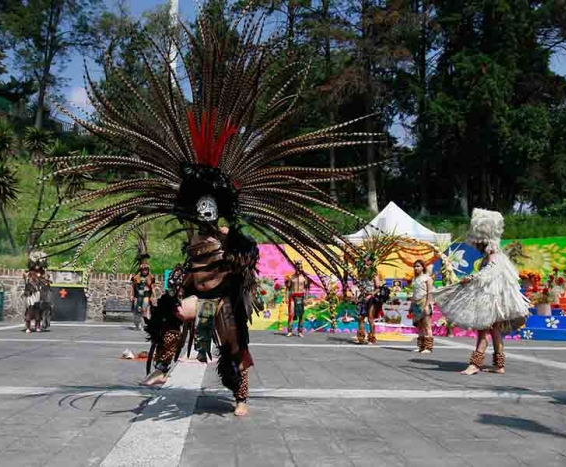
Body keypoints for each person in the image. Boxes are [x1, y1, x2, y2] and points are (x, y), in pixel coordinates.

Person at [43, 6, 381, 418]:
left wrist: (231, 251)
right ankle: (164, 364)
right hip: (196, 295)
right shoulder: (193, 233)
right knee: (172, 312)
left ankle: (240, 395)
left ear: (219, 210)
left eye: (208, 215)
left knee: (235, 344)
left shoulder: (230, 237)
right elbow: (188, 263)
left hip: (223, 300)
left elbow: (244, 256)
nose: (201, 221)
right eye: (196, 216)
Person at [434, 209, 529, 375]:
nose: (476, 246)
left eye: (477, 243)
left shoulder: (493, 255)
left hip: (490, 301)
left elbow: (490, 272)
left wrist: (470, 278)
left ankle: (475, 365)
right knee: (495, 331)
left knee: (483, 331)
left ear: (482, 240)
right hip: (495, 300)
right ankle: (499, 365)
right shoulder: (497, 255)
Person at [410, 260, 434, 353]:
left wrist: (427, 305)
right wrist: (411, 305)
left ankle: (428, 348)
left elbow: (430, 292)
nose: (416, 268)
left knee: (427, 326)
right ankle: (421, 346)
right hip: (416, 303)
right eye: (415, 266)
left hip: (424, 302)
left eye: (418, 266)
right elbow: (414, 293)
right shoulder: (414, 279)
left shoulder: (427, 278)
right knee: (419, 326)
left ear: (423, 267)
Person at [285, 261, 310, 337]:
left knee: (301, 315)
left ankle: (300, 331)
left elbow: (306, 289)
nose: (298, 269)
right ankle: (290, 331)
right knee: (291, 314)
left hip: (301, 297)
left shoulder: (304, 278)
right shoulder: (291, 278)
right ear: (295, 268)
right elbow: (288, 289)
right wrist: (286, 297)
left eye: (300, 268)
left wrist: (306, 299)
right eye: (297, 268)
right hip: (293, 297)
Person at [131, 260, 155, 331]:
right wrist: (131, 295)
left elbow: (152, 287)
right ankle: (137, 324)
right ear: (141, 270)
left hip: (146, 295)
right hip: (137, 295)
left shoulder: (151, 277)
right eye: (143, 270)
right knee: (136, 309)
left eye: (146, 270)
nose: (145, 271)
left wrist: (154, 296)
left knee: (144, 309)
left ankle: (144, 324)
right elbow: (132, 287)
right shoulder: (136, 277)